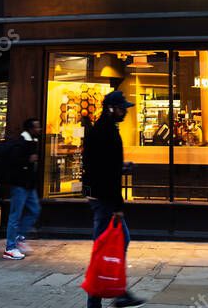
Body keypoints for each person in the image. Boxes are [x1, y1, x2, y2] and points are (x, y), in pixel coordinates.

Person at [80, 90, 144, 308]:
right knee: (105, 246)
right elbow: (106, 172)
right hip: (105, 199)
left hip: (102, 196)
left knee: (113, 243)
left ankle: (117, 292)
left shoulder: (104, 129)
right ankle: (102, 297)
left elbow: (104, 165)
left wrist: (122, 167)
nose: (124, 112)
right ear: (111, 109)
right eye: (121, 109)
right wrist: (117, 206)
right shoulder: (105, 132)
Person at [3, 118, 42, 260]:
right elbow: (15, 163)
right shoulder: (21, 142)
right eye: (37, 127)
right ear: (30, 129)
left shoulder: (32, 141)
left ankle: (19, 237)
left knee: (35, 210)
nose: (39, 129)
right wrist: (28, 160)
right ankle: (10, 247)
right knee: (15, 216)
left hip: (29, 185)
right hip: (20, 185)